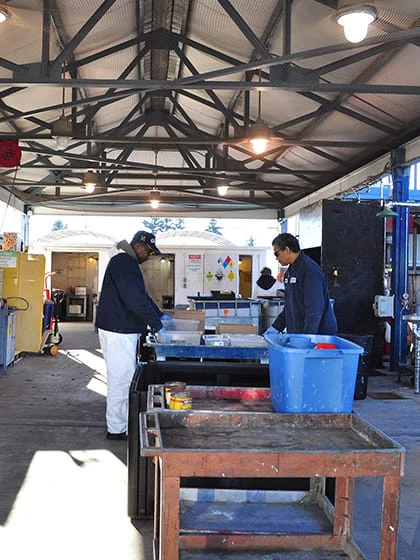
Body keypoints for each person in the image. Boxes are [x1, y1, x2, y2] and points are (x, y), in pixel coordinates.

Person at [95, 230, 169, 440]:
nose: (148, 256)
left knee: (124, 377)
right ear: (138, 246)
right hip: (119, 330)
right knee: (121, 380)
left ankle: (121, 424)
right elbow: (135, 301)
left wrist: (160, 316)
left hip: (121, 328)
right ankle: (116, 429)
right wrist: (157, 326)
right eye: (148, 251)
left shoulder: (126, 263)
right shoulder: (124, 263)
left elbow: (141, 297)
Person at [271, 233, 337, 334]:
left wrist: (307, 337)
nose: (276, 258)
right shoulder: (289, 273)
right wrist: (275, 328)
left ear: (287, 250)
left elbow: (314, 309)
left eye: (277, 254)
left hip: (318, 336)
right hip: (298, 334)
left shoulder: (309, 271)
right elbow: (289, 307)